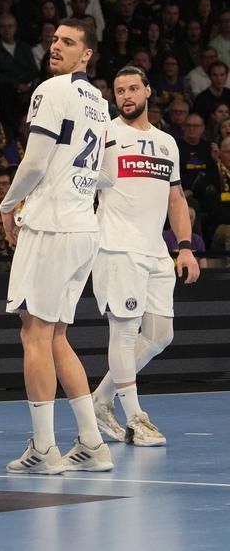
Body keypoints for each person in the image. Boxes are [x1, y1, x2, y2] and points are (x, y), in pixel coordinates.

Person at [0, 19, 114, 474]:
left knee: (34, 334)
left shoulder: (51, 89)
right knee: (57, 335)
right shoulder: (101, 105)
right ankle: (91, 443)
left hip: (50, 227)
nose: (56, 46)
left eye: (68, 42)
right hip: (83, 226)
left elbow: (34, 160)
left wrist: (8, 204)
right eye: (54, 40)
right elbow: (106, 174)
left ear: (87, 54)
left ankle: (44, 450)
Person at [91, 66, 200, 447]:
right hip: (116, 246)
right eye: (119, 90)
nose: (126, 96)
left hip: (156, 250)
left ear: (148, 91)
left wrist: (184, 247)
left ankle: (101, 401)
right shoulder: (104, 135)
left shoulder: (167, 142)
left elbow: (176, 197)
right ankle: (136, 418)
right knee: (123, 333)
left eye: (133, 88)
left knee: (159, 334)